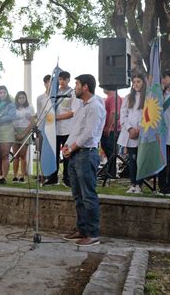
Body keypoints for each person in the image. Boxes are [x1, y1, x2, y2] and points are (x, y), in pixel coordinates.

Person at [62, 74, 106, 246]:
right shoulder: (81, 106)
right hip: (75, 154)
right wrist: (66, 147)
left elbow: (89, 133)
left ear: (86, 87)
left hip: (86, 154)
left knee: (88, 195)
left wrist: (72, 148)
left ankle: (93, 234)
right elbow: (76, 130)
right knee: (78, 195)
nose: (75, 88)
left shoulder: (95, 106)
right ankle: (82, 229)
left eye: (78, 84)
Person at [43, 71, 82, 187]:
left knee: (66, 154)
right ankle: (53, 177)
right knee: (54, 154)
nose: (62, 81)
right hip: (54, 129)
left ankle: (67, 177)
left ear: (68, 80)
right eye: (60, 79)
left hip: (67, 128)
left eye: (64, 79)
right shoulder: (54, 92)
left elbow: (74, 111)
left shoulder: (73, 93)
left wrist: (57, 117)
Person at [117, 74, 146, 194]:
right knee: (132, 160)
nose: (136, 84)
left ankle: (139, 184)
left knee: (141, 160)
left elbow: (148, 116)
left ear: (143, 83)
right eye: (134, 82)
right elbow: (123, 115)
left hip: (142, 134)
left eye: (138, 82)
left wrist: (140, 129)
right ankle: (133, 184)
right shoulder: (129, 97)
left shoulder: (148, 98)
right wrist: (130, 129)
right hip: (130, 134)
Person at [0, 85, 16, 184]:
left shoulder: (11, 104)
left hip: (6, 130)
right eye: (0, 92)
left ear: (7, 93)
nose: (2, 94)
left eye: (4, 92)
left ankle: (3, 177)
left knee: (5, 155)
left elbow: (11, 116)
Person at [12, 91, 35, 183]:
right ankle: (14, 175)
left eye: (23, 97)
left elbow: (32, 122)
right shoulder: (13, 108)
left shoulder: (30, 108)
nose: (21, 99)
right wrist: (15, 133)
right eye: (19, 98)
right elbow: (10, 121)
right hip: (14, 132)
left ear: (26, 98)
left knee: (23, 155)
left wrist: (24, 134)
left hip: (25, 131)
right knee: (15, 155)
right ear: (17, 99)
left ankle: (22, 176)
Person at [100, 89, 123, 178]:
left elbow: (114, 113)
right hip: (109, 128)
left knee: (110, 150)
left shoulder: (114, 97)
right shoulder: (109, 98)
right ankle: (110, 172)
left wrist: (109, 126)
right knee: (108, 150)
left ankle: (111, 173)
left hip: (112, 129)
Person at [35, 75, 51, 183]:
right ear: (45, 84)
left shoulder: (57, 96)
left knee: (50, 152)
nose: (50, 85)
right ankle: (42, 174)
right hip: (42, 128)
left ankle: (50, 174)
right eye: (48, 82)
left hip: (53, 128)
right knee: (41, 151)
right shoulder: (40, 98)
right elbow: (39, 113)